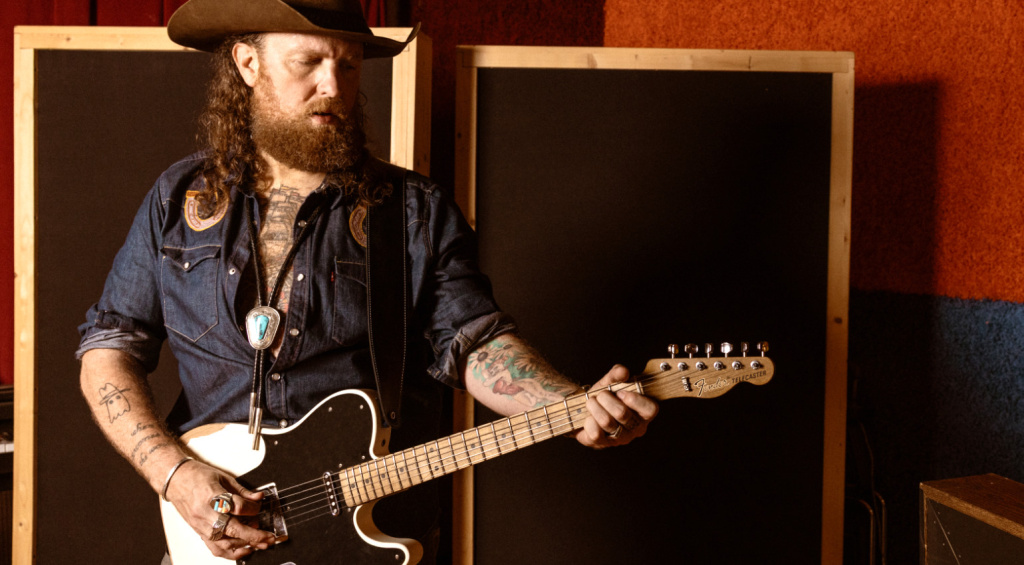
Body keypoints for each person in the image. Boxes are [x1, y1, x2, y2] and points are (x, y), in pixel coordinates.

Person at [76, 0, 658, 563]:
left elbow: (474, 344)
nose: (334, 86)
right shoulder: (179, 199)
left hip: (374, 538)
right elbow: (109, 348)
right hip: (212, 542)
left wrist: (570, 405)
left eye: (348, 66)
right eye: (308, 62)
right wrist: (174, 474)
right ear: (248, 64)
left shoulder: (413, 211)